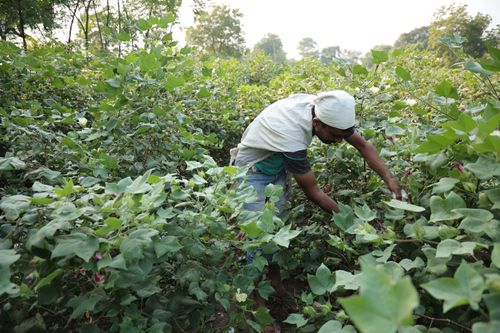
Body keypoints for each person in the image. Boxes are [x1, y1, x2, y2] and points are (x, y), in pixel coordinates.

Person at [232, 90, 402, 332]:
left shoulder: (327, 109)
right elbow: (315, 194)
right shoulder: (291, 135)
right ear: (316, 124)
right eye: (334, 136)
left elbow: (363, 145)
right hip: (254, 172)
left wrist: (391, 179)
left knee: (273, 233)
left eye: (343, 136)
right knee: (258, 238)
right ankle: (257, 304)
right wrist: (357, 224)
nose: (338, 141)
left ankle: (276, 284)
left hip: (276, 164)